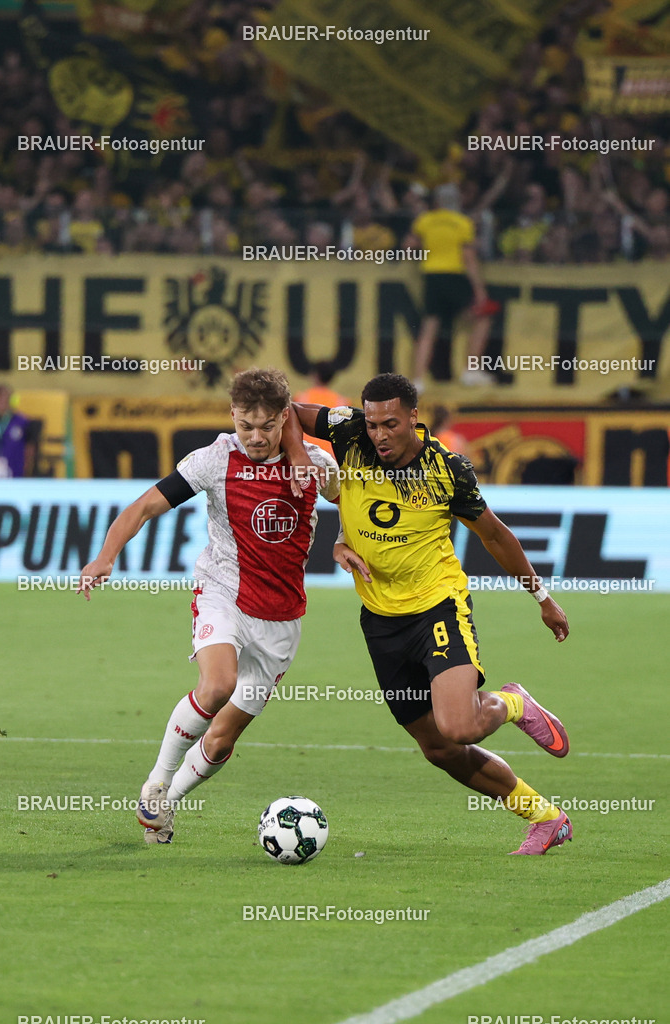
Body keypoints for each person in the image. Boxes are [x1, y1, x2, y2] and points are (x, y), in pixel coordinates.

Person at [285, 373, 573, 856]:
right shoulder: (348, 431)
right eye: (373, 424)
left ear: (414, 417)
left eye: (390, 424)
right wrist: (301, 461)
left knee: (459, 725)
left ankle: (513, 703)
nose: (379, 435)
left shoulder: (446, 470)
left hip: (437, 608)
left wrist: (541, 597)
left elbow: (495, 535)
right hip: (380, 619)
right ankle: (545, 818)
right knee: (439, 748)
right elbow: (285, 410)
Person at [77, 368, 339, 844]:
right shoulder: (214, 460)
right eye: (245, 425)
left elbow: (352, 505)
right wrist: (105, 556)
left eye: (266, 426)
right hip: (224, 592)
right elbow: (144, 506)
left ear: (285, 418)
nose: (255, 437)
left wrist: (344, 539)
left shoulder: (314, 464)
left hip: (282, 617)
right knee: (218, 685)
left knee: (221, 740)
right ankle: (157, 781)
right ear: (232, 416)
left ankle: (166, 805)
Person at [408, 184, 498, 391]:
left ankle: (417, 380)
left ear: (437, 201)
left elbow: (409, 245)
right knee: (482, 318)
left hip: (431, 276)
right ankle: (470, 371)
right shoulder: (463, 223)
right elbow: (469, 257)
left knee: (429, 327)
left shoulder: (425, 220)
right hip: (455, 276)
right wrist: (480, 290)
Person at [294, 361, 349, 456]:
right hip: (332, 456)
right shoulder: (342, 402)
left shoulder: (300, 399)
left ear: (315, 375)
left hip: (306, 454)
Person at [0, 385, 35, 478]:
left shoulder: (22, 421)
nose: (2, 402)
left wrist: (27, 464)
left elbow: (30, 445)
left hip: (14, 470)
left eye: (6, 399)